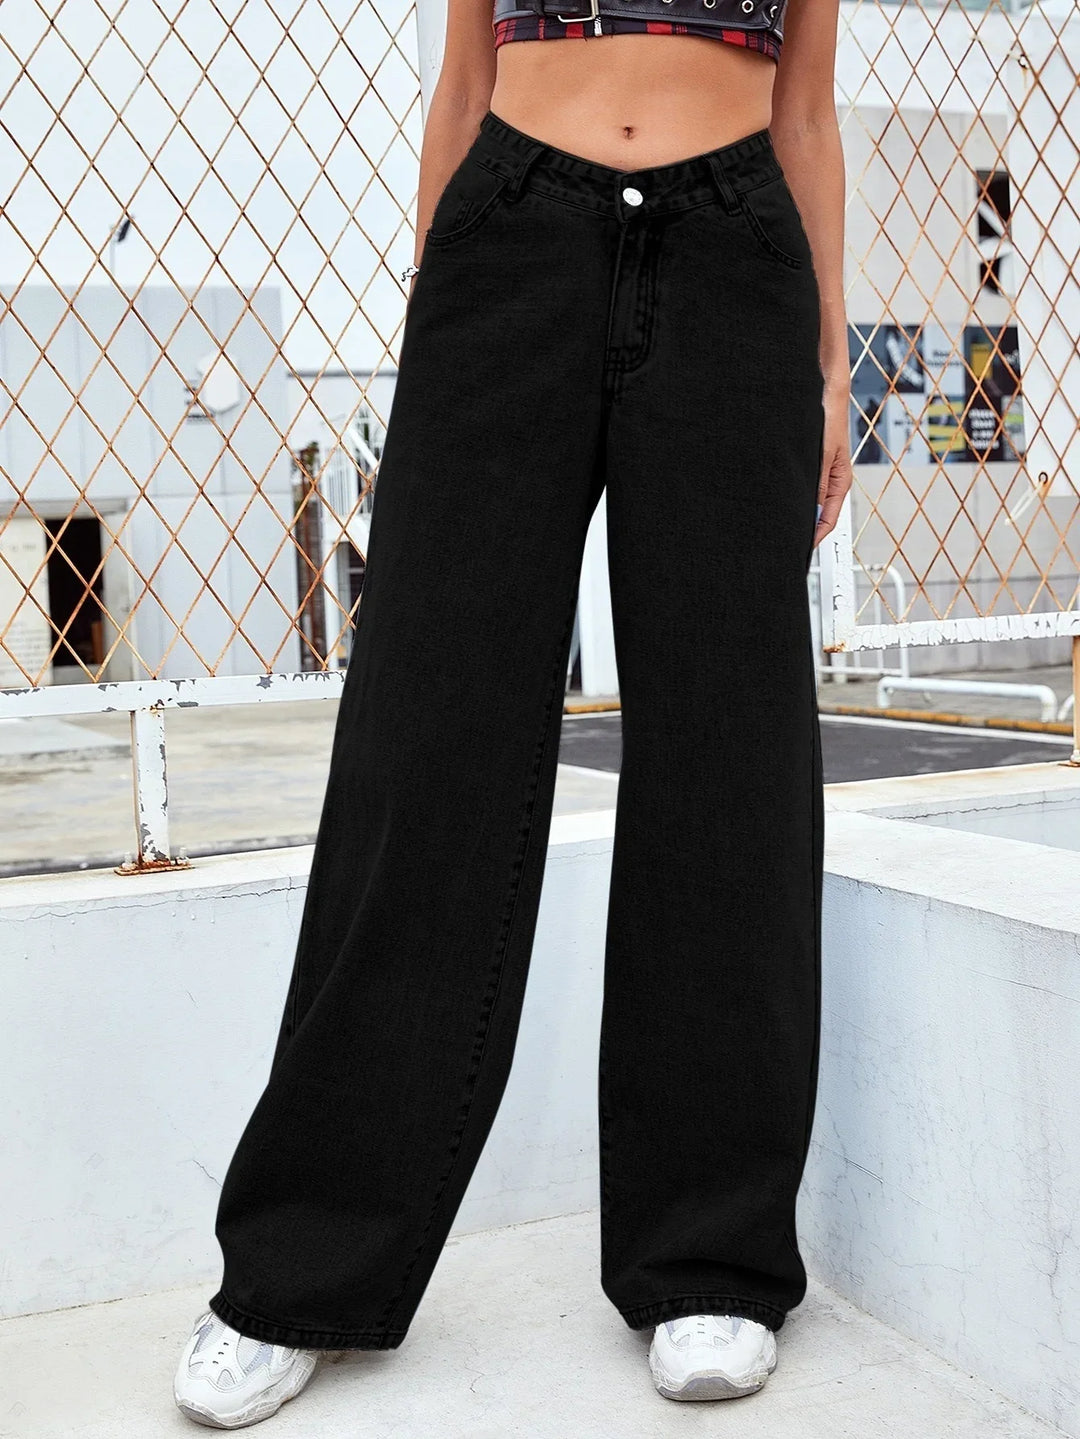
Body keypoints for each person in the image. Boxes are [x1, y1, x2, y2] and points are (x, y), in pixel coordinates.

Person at [173, 0, 851, 1422]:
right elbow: (466, 76)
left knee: (729, 755)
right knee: (426, 739)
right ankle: (301, 1267)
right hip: (515, 231)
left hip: (736, 252)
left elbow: (807, 109)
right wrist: (442, 318)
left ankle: (710, 1258)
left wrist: (832, 360)